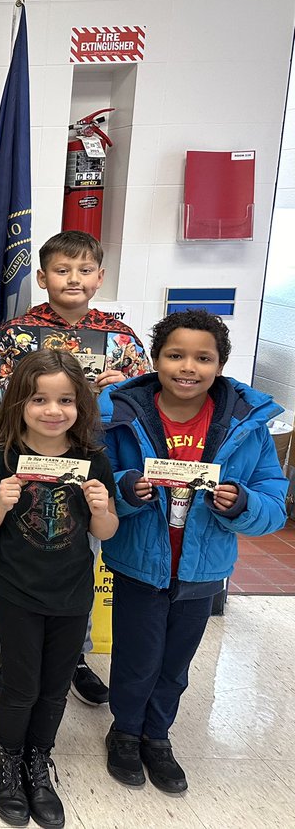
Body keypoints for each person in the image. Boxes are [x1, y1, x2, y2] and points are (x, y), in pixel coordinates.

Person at [99, 310, 286, 795]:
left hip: (204, 567)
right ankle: (124, 731)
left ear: (220, 363)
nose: (188, 367)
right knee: (137, 657)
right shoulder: (123, 416)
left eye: (203, 358)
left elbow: (272, 500)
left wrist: (242, 503)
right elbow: (96, 481)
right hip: (139, 561)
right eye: (175, 355)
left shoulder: (245, 424)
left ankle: (157, 737)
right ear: (155, 360)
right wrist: (126, 489)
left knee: (177, 662)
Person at [0, 230, 151, 706]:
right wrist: (30, 391)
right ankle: (13, 657)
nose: (74, 278)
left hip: (88, 467)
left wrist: (122, 389)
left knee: (81, 560)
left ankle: (75, 657)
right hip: (25, 466)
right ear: (43, 276)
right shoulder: (17, 333)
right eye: (62, 270)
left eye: (84, 270)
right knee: (17, 555)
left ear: (100, 277)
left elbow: (149, 404)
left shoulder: (121, 337)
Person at [0, 350, 118, 829]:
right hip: (17, 592)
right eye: (40, 399)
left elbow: (107, 531)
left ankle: (39, 762)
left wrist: (100, 508)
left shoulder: (92, 458)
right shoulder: (1, 456)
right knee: (20, 687)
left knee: (54, 690)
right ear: (20, 403)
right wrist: (3, 503)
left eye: (66, 400)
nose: (53, 410)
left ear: (81, 404)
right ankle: (8, 763)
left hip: (74, 593)